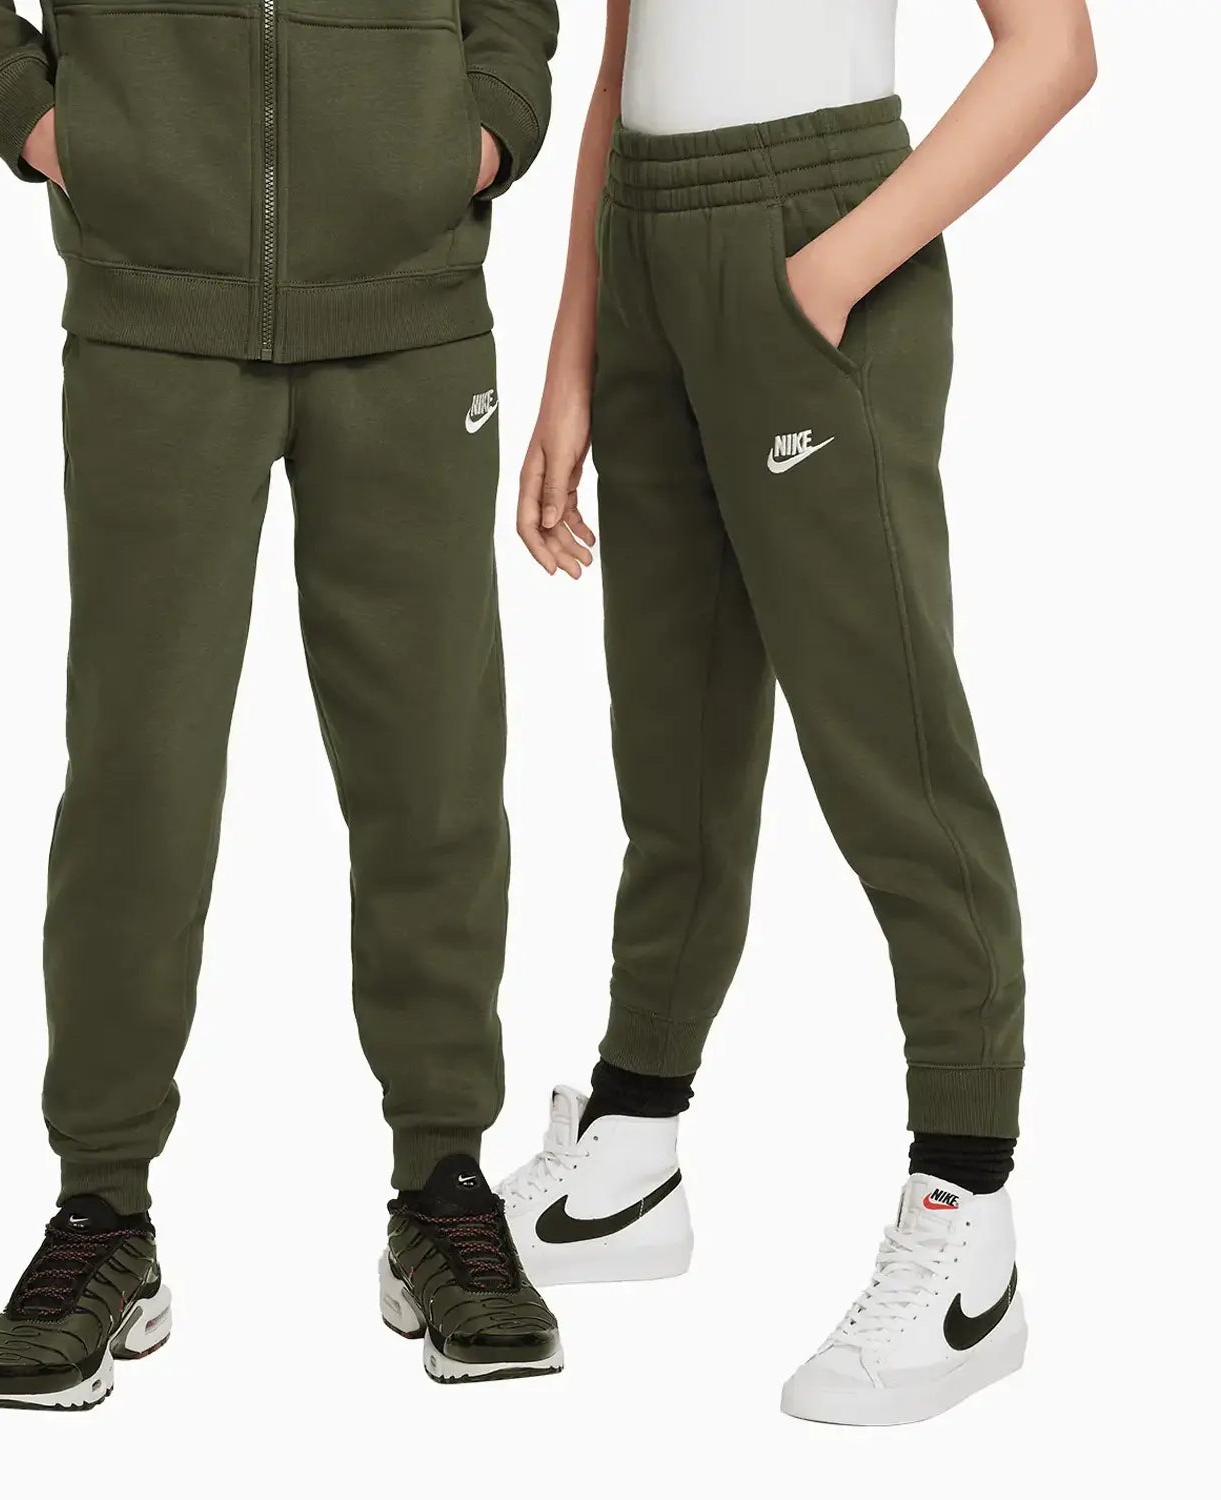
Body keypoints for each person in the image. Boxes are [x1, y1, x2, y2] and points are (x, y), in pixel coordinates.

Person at [0, 0, 564, 1404]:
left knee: (434, 769)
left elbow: (517, 13)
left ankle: (443, 1187)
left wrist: (477, 130)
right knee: (141, 779)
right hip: (153, 314)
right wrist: (42, 118)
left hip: (413, 313)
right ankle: (102, 1209)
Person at [498, 0, 1096, 1425]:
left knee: (891, 756)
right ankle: (632, 1145)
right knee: (674, 746)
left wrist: (824, 274)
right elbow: (624, 65)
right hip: (643, 252)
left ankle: (969, 1217)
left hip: (815, 236)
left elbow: (1055, 50)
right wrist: (576, 358)